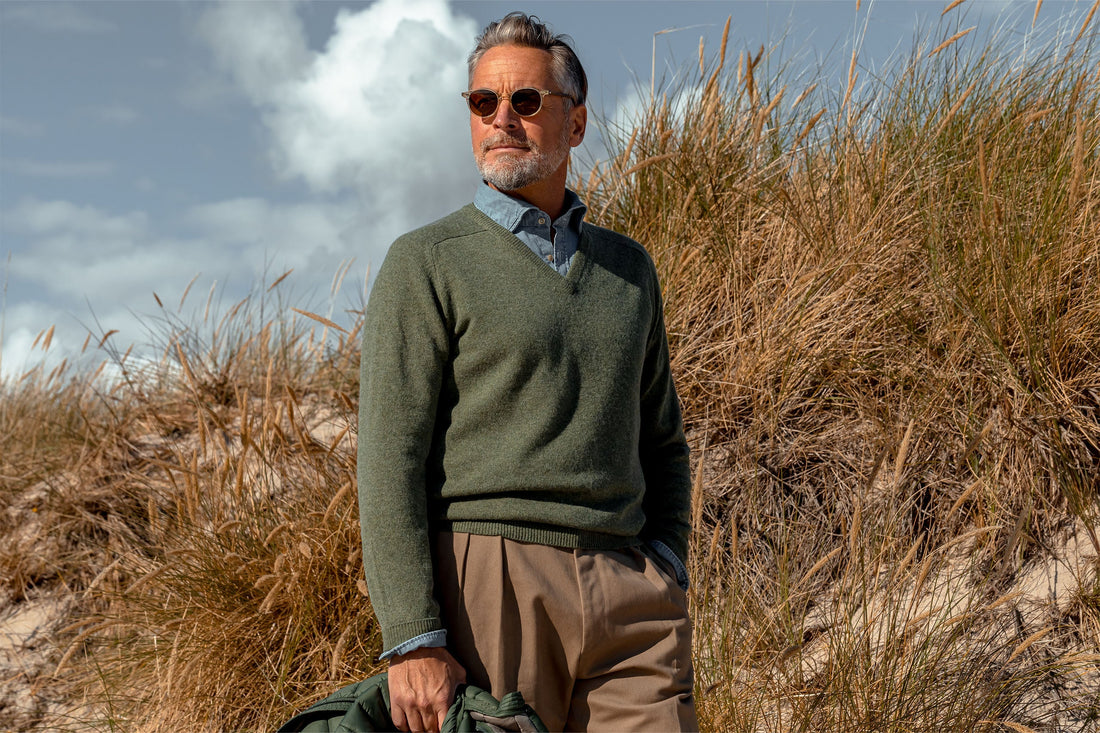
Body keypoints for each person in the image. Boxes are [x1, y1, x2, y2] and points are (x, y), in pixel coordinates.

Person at [357, 12, 696, 733]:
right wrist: (414, 636)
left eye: (526, 101)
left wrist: (666, 560)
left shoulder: (628, 270)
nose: (501, 119)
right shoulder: (426, 261)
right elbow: (389, 459)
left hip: (630, 588)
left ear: (574, 124)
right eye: (483, 102)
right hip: (491, 583)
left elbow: (663, 441)